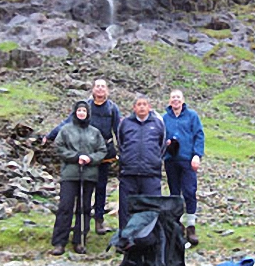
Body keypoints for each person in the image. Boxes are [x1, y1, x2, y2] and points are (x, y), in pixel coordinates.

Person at [43, 79, 121, 235]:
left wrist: (123, 150)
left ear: (107, 90)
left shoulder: (112, 108)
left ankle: (99, 220)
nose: (100, 89)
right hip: (83, 152)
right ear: (92, 89)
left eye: (103, 87)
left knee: (101, 187)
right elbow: (67, 123)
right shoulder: (84, 106)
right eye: (97, 86)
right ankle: (77, 222)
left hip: (103, 152)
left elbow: (119, 129)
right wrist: (51, 135)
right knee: (82, 189)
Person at [50, 100, 107, 255]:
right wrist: (75, 157)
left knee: (85, 208)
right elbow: (59, 147)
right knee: (65, 207)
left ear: (88, 113)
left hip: (89, 175)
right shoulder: (66, 130)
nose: (82, 113)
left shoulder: (94, 132)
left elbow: (102, 150)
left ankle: (79, 240)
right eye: (79, 110)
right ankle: (59, 242)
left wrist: (90, 158)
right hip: (70, 173)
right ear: (75, 112)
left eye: (84, 111)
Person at [163, 89, 205, 246]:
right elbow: (159, 137)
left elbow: (199, 135)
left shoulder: (192, 116)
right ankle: (177, 225)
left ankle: (191, 226)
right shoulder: (164, 118)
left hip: (188, 160)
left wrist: (197, 155)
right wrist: (166, 145)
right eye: (173, 97)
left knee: (189, 191)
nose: (175, 100)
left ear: (183, 100)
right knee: (174, 193)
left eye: (178, 97)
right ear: (169, 101)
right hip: (171, 160)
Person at [117, 94, 165, 230]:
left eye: (145, 104)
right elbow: (121, 144)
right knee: (126, 208)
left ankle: (151, 240)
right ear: (134, 108)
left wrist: (153, 160)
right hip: (129, 173)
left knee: (152, 208)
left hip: (151, 174)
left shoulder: (158, 124)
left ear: (150, 107)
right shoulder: (125, 123)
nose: (142, 107)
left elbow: (162, 146)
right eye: (139, 104)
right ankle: (126, 241)